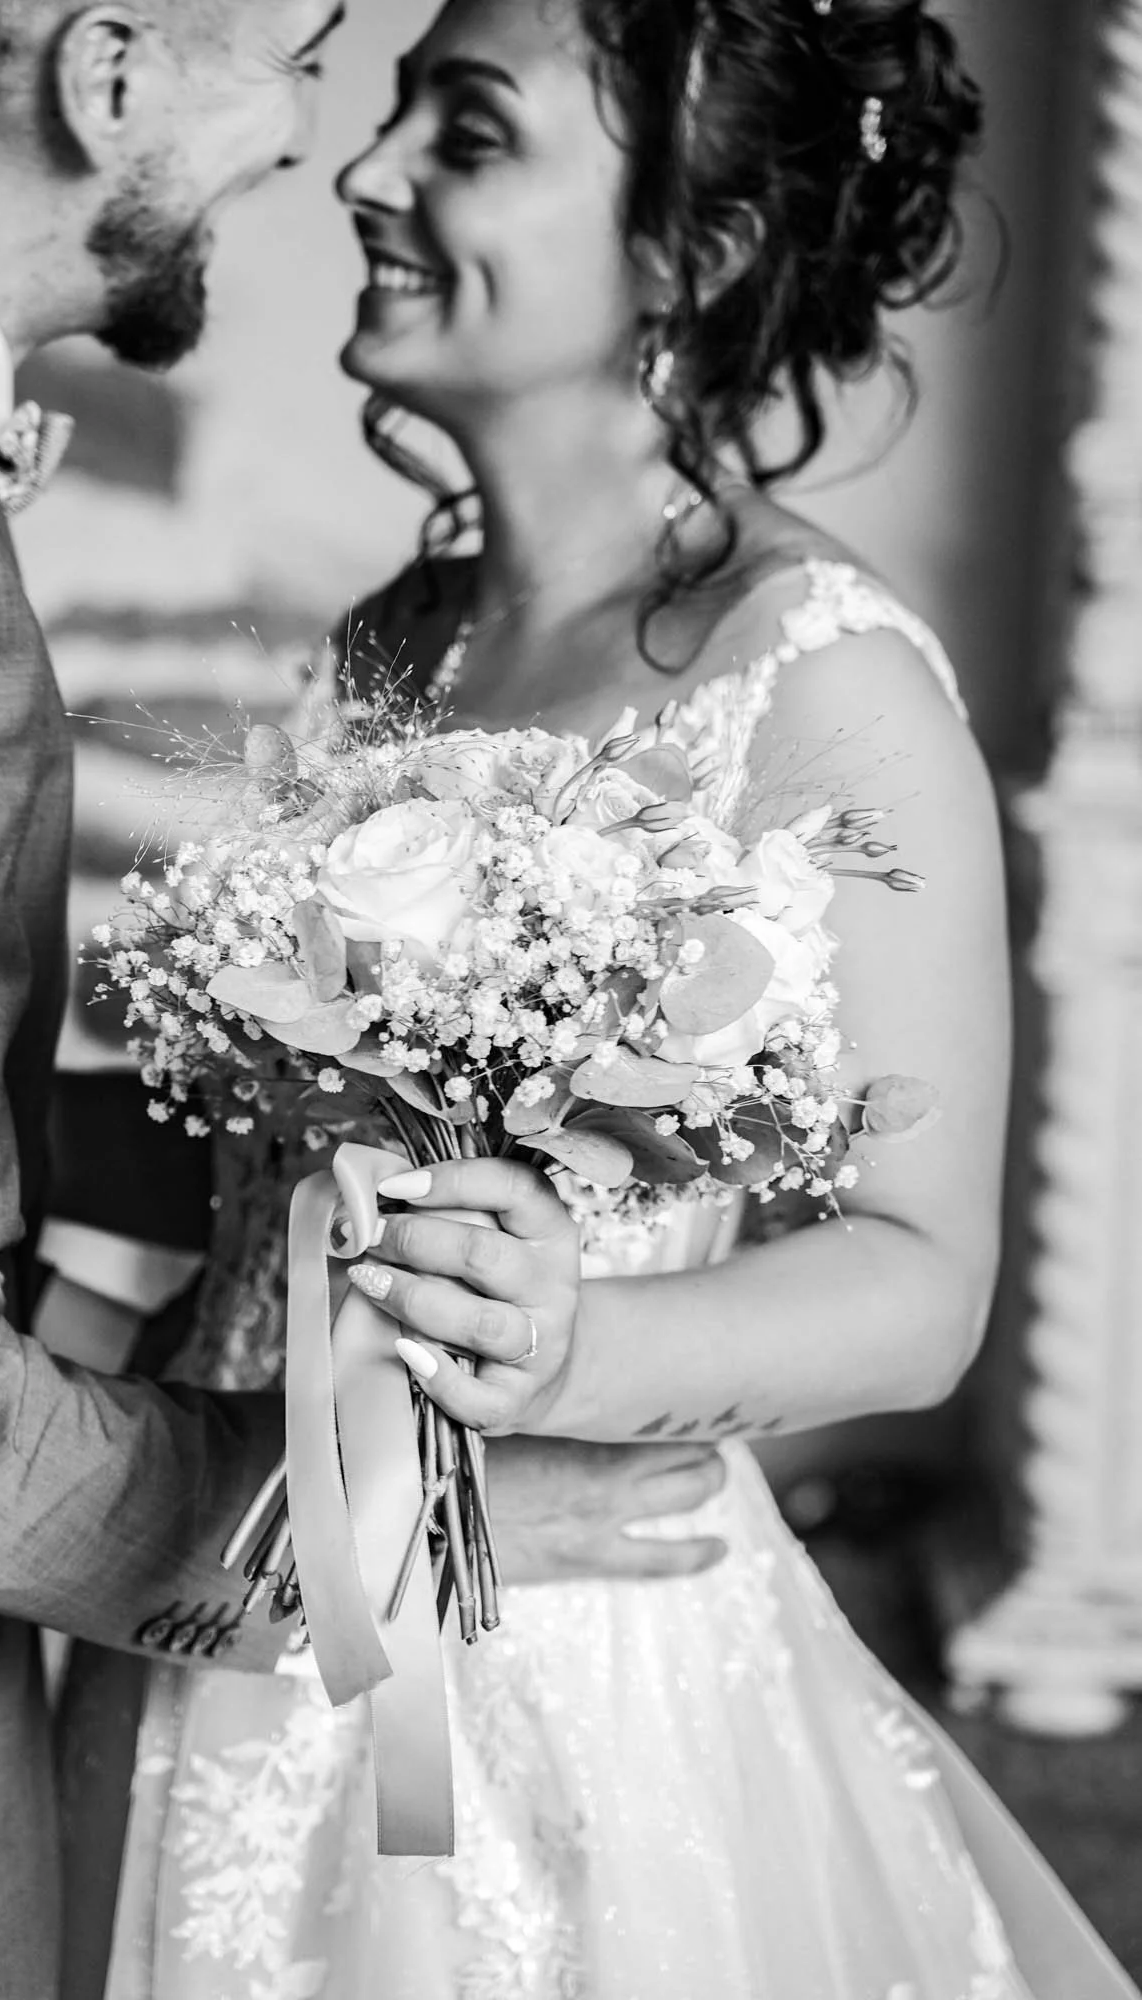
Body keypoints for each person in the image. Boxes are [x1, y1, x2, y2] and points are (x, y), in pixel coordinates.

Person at [92, 0, 1142, 1995]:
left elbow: (919, 1288)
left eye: (466, 128)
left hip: (568, 1631)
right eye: (394, 104)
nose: (370, 167)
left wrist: (566, 1346)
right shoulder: (393, 639)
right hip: (261, 1584)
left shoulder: (824, 679)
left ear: (695, 252)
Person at [0, 7, 729, 1993]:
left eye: (447, 116)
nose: (332, 148)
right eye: (315, 57)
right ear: (108, 76)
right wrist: (387, 1524)